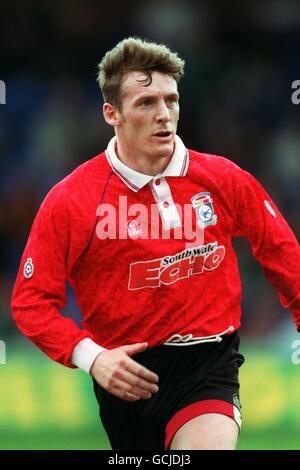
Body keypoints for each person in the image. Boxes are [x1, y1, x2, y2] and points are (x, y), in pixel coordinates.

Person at [11, 37, 300, 450]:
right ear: (112, 114)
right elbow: (30, 301)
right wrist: (93, 358)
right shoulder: (72, 198)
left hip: (208, 364)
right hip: (124, 375)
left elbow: (283, 253)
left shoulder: (223, 178)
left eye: (171, 100)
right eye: (146, 103)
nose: (164, 115)